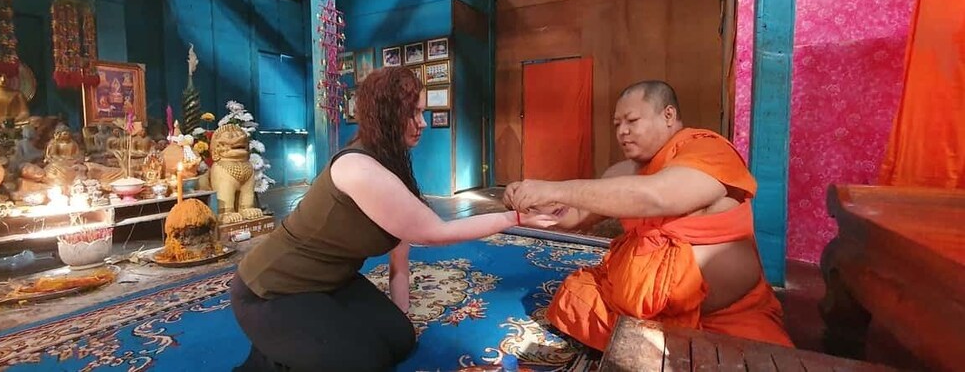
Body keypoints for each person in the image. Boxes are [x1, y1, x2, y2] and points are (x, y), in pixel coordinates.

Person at [230, 66, 559, 371]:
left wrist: (397, 318)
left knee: (400, 340)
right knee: (366, 363)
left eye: (423, 112)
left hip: (331, 283)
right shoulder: (359, 168)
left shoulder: (391, 163)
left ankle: (300, 342)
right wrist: (516, 217)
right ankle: (269, 355)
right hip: (271, 289)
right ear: (387, 114)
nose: (424, 122)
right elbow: (435, 232)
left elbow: (399, 255)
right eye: (414, 112)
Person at [504, 80, 793, 351]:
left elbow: (657, 196)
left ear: (668, 115)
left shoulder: (708, 150)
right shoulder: (622, 172)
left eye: (632, 121)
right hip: (642, 307)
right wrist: (529, 205)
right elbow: (574, 216)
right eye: (617, 124)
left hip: (725, 315)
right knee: (573, 296)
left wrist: (557, 188)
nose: (622, 132)